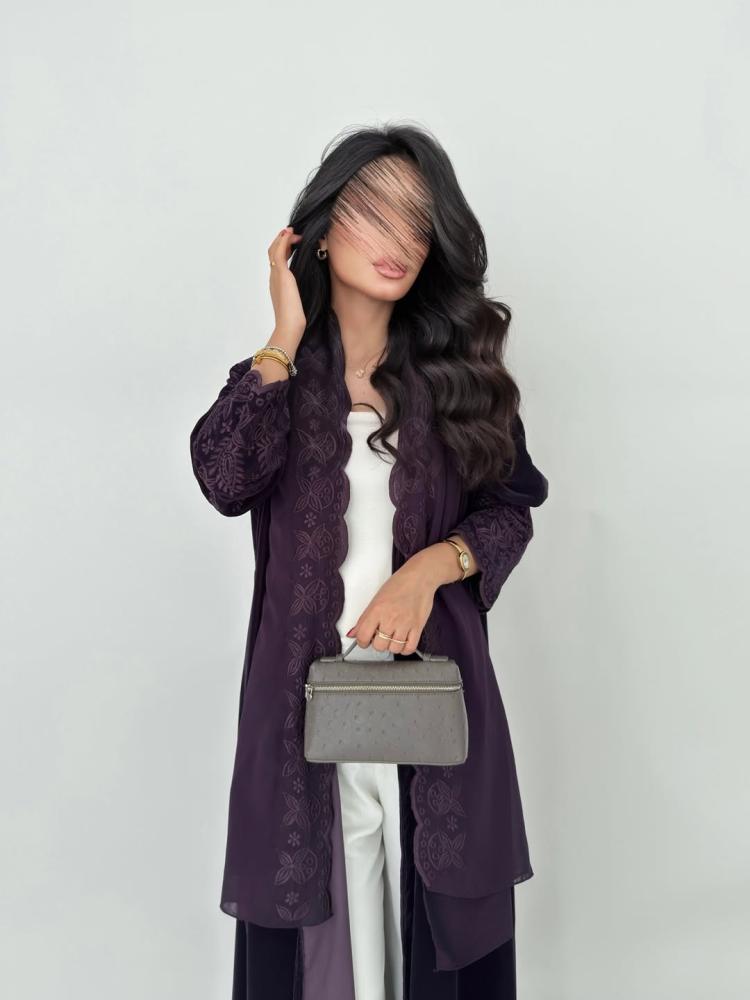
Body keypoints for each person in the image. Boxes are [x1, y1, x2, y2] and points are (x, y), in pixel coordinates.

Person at [189, 123, 549, 1000]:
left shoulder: (460, 380)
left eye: (418, 222)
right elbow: (223, 479)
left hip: (434, 715)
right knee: (322, 945)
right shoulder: (277, 382)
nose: (399, 241)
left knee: (432, 935)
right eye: (374, 214)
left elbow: (510, 510)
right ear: (319, 232)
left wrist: (428, 570)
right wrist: (284, 334)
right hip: (304, 724)